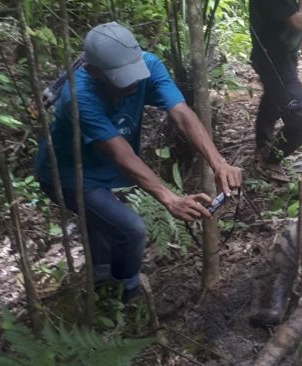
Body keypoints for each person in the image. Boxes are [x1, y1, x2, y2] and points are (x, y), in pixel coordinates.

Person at [34, 22, 242, 300]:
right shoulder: (78, 96)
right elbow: (121, 154)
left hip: (97, 166)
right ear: (95, 72)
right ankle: (125, 295)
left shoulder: (149, 66)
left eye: (133, 74)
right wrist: (170, 198)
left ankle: (101, 280)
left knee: (101, 223)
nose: (132, 83)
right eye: (122, 78)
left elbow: (182, 114)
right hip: (67, 174)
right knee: (130, 230)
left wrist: (219, 163)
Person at [249, 0, 302, 183]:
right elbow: (298, 22)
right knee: (301, 122)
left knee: (272, 98)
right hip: (274, 60)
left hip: (278, 56)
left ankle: (262, 146)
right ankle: (269, 160)